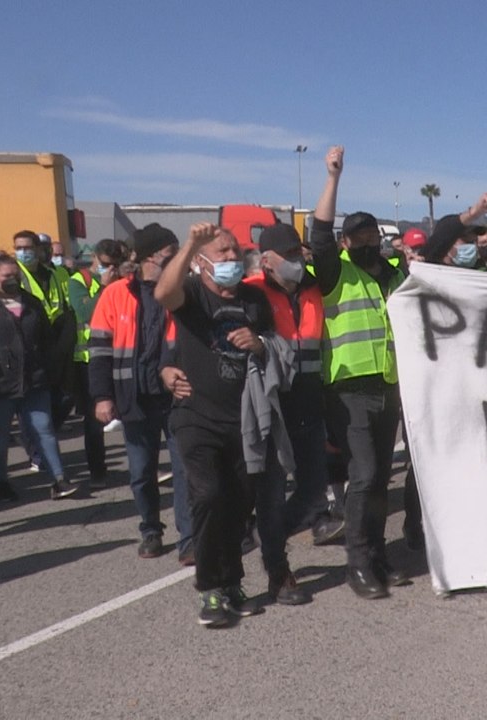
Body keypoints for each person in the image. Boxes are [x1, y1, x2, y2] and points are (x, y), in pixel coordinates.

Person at [156, 223, 273, 627]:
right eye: (222, 252)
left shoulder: (255, 299)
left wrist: (258, 344)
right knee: (208, 495)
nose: (231, 259)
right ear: (202, 262)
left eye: (235, 252)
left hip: (244, 421)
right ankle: (209, 589)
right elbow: (162, 293)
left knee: (238, 504)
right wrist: (189, 243)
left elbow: (275, 346)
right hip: (196, 417)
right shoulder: (191, 294)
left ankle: (231, 583)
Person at [309, 146, 412, 600]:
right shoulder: (334, 273)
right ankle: (358, 562)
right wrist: (333, 178)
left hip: (388, 386)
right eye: (357, 236)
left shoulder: (394, 276)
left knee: (378, 479)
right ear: (346, 242)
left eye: (372, 234)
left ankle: (378, 556)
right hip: (348, 388)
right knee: (366, 474)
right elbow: (318, 235)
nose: (367, 241)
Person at [90, 225, 193, 560]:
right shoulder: (116, 294)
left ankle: (188, 538)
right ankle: (150, 530)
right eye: (171, 251)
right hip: (134, 397)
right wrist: (102, 397)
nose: (177, 256)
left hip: (177, 396)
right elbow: (100, 350)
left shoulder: (182, 290)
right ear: (152, 256)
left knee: (184, 470)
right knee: (140, 473)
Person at [241, 224, 322, 605]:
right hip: (272, 403)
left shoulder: (313, 288)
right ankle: (278, 571)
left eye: (298, 253)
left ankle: (268, 533)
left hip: (309, 399)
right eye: (288, 255)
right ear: (267, 260)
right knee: (271, 492)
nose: (297, 260)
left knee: (312, 490)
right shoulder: (250, 293)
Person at [0, 251, 76, 502]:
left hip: (35, 380)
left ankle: (59, 480)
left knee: (44, 428)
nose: (12, 279)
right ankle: (0, 482)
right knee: (0, 435)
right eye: (6, 276)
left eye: (15, 275)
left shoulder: (31, 303)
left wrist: (49, 369)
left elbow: (46, 340)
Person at [70, 238, 129, 489]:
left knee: (130, 412)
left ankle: (142, 465)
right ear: (95, 258)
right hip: (88, 359)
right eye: (106, 264)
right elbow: (86, 313)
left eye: (116, 265)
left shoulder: (120, 281)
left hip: (120, 354)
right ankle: (97, 470)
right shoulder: (79, 281)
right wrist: (105, 288)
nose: (111, 270)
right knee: (95, 420)